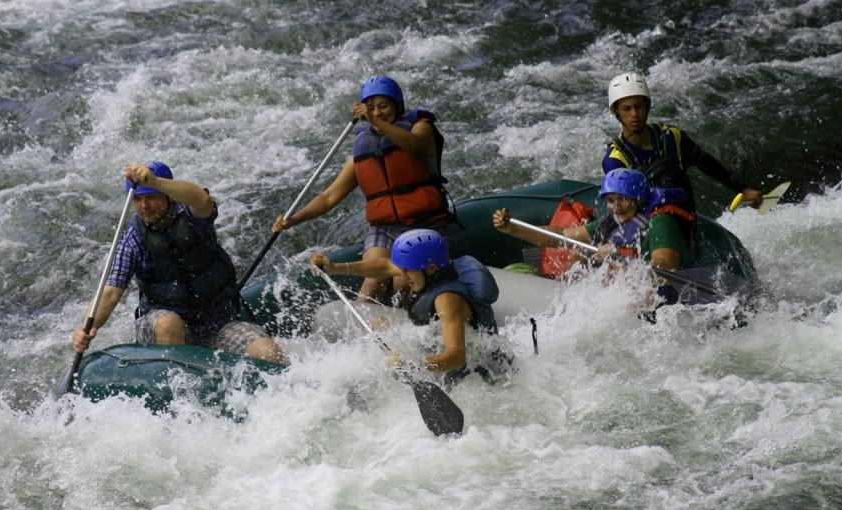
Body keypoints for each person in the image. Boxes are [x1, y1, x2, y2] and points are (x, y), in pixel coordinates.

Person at [72, 161, 286, 363]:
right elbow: (110, 293)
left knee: (270, 354)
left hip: (219, 324)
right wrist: (86, 328)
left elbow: (202, 200)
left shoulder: (193, 216)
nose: (144, 206)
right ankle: (183, 390)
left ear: (168, 195)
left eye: (152, 197)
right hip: (165, 327)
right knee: (168, 324)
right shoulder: (133, 239)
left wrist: (155, 181)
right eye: (137, 199)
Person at [274, 75, 450, 302]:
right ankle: (363, 330)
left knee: (401, 281)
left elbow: (412, 144)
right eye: (370, 108)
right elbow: (328, 197)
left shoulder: (421, 128)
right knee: (371, 284)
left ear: (397, 106)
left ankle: (411, 321)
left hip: (425, 222)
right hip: (384, 228)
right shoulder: (364, 149)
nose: (377, 113)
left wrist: (376, 123)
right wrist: (293, 219)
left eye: (383, 106)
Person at [309, 229, 500, 377]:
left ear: (431, 268)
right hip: (437, 345)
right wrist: (335, 268)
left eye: (406, 271)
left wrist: (415, 364)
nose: (401, 276)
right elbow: (384, 265)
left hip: (479, 372)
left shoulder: (447, 300)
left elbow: (458, 356)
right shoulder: (424, 270)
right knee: (379, 322)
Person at [604, 71, 764, 246]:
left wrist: (743, 189)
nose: (634, 114)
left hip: (685, 224)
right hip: (648, 232)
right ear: (615, 112)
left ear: (647, 106)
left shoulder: (672, 138)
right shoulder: (614, 160)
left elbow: (707, 164)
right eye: (627, 109)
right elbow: (624, 210)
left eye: (639, 106)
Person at [493, 168, 685, 303]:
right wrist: (514, 229)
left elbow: (665, 268)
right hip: (620, 295)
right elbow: (560, 236)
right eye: (611, 200)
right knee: (579, 254)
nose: (616, 207)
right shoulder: (609, 222)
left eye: (623, 200)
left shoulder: (659, 222)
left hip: (659, 297)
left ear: (638, 200)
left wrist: (617, 254)